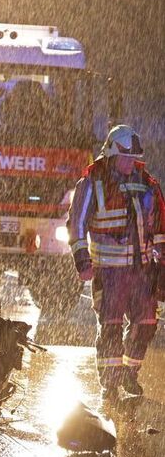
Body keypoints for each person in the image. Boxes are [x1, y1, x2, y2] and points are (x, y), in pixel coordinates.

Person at [67, 125, 165, 400]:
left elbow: (159, 225)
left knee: (147, 323)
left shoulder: (147, 184)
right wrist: (82, 259)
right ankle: (110, 383)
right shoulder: (91, 183)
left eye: (133, 158)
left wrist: (162, 264)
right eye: (125, 157)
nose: (130, 163)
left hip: (142, 271)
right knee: (110, 326)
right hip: (108, 272)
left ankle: (129, 373)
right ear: (110, 153)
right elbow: (76, 225)